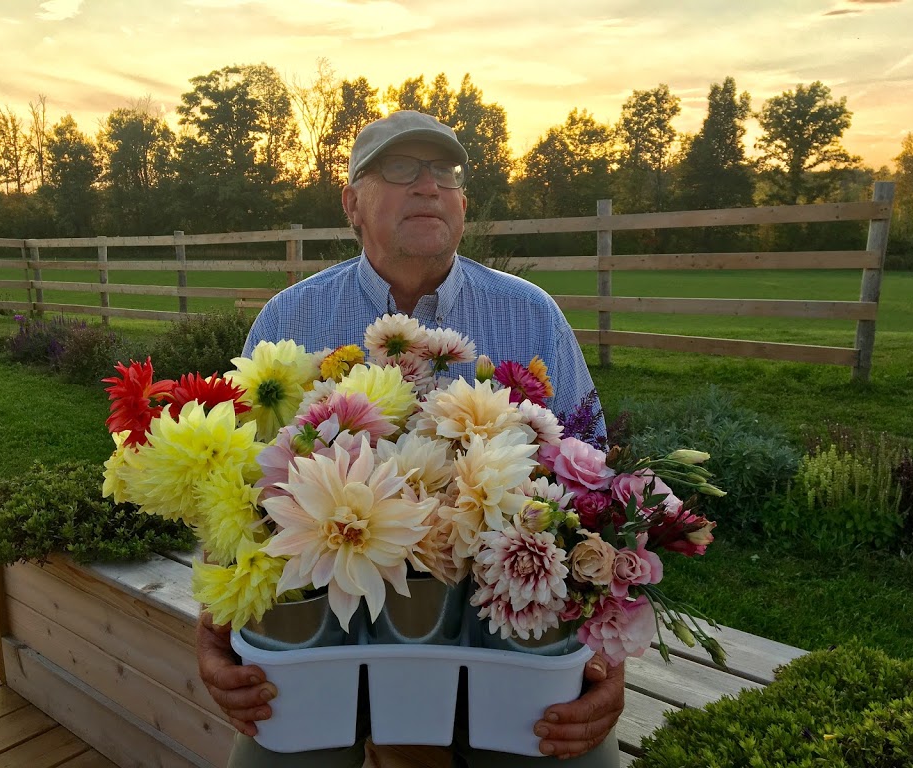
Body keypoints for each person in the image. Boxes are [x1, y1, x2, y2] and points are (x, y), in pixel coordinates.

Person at [197, 110, 625, 767]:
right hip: (328, 635)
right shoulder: (291, 320)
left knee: (576, 756)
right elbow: (237, 497)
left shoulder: (531, 314)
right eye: (401, 169)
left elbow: (595, 488)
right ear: (351, 203)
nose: (429, 186)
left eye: (446, 173)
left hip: (504, 637)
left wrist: (607, 651)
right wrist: (216, 632)